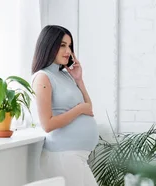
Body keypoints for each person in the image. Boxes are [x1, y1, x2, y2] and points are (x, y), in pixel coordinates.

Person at [31, 25, 99, 186]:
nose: (68, 50)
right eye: (62, 45)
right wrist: (79, 109)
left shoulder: (66, 75)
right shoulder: (43, 77)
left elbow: (89, 107)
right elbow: (47, 124)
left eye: (69, 46)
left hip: (77, 156)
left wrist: (79, 79)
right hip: (62, 154)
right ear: (49, 45)